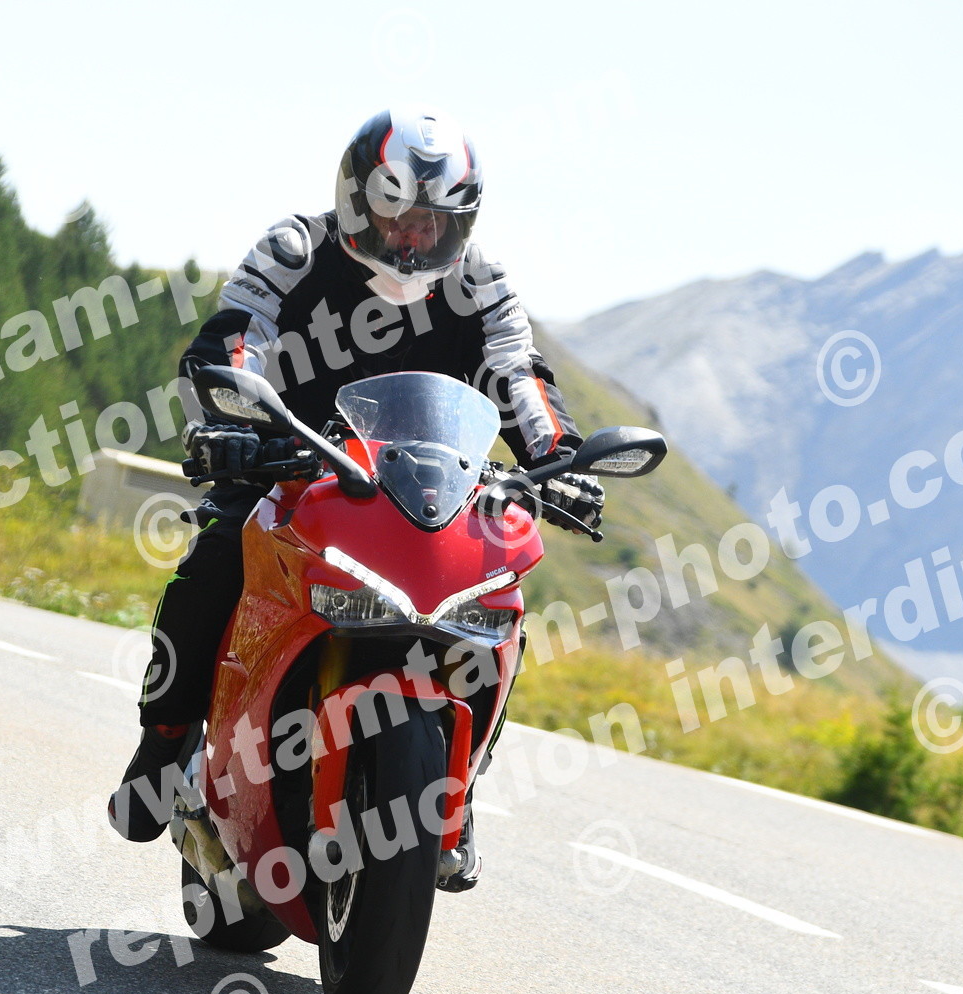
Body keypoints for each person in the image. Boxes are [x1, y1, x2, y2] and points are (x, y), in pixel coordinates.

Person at [107, 108, 604, 892]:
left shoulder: (481, 283)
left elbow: (518, 375)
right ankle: (164, 742)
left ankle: (460, 783)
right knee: (216, 557)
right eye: (396, 214)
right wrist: (232, 420)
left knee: (497, 596)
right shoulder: (294, 251)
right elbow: (237, 336)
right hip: (288, 469)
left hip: (428, 493)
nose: (413, 238)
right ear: (354, 197)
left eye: (433, 222)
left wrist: (560, 459)